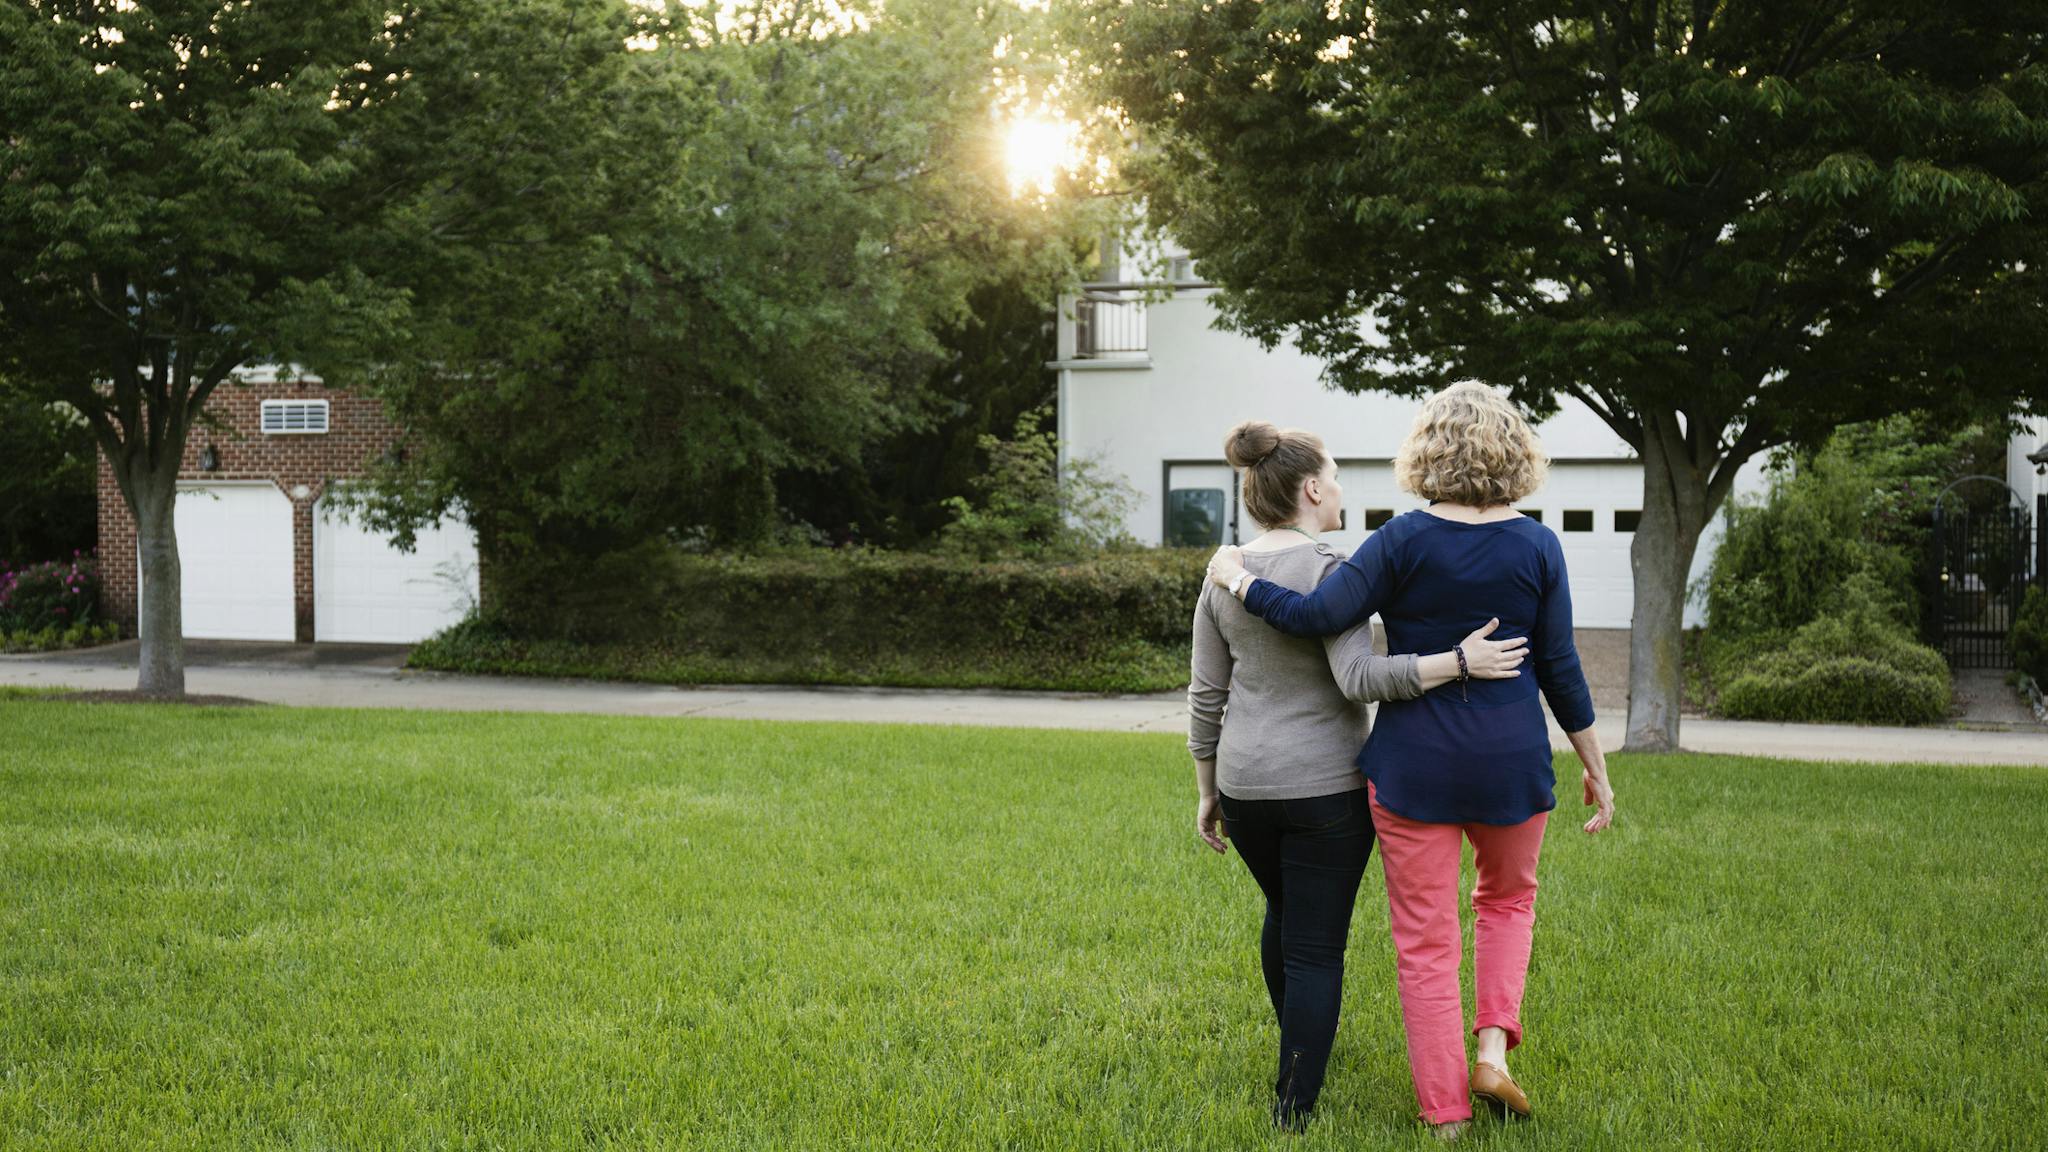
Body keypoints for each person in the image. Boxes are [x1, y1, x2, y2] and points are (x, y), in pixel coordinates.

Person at [1206, 384, 1617, 1141]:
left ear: (1426, 448)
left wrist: (1239, 579)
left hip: (1410, 770)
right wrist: (1595, 763)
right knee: (1506, 903)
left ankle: (1445, 1115)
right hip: (1510, 764)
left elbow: (1316, 618)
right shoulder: (1538, 545)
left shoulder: (1398, 540)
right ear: (1514, 450)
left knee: (1424, 941)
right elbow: (1561, 668)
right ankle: (1491, 1050)